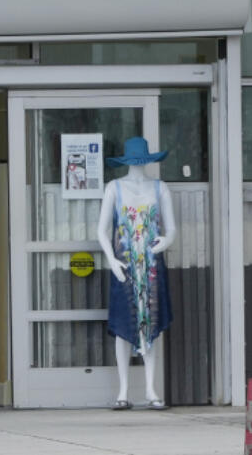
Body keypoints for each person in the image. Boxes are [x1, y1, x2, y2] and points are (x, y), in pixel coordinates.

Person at [96, 137, 176, 411]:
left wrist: (165, 241)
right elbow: (101, 231)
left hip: (152, 266)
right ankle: (124, 390)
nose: (138, 165)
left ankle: (152, 389)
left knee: (151, 324)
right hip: (125, 265)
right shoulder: (114, 188)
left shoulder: (160, 188)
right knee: (123, 325)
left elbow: (172, 230)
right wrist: (112, 261)